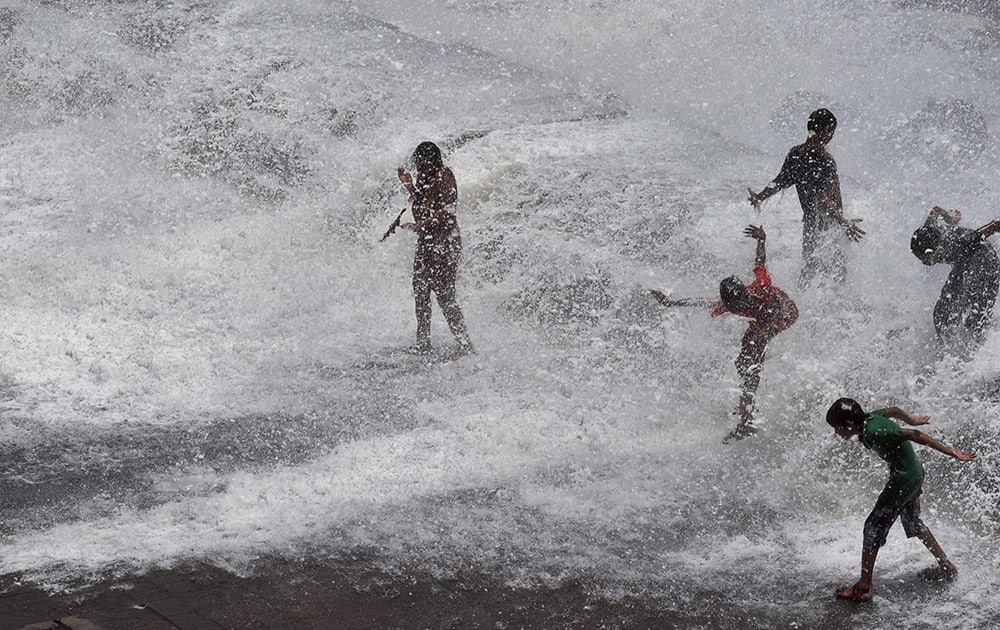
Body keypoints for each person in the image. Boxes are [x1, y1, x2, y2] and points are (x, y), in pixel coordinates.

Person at [825, 398, 976, 603]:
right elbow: (894, 410)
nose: (837, 433)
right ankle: (947, 567)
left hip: (903, 479)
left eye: (837, 428)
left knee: (872, 527)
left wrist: (950, 452)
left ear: (849, 425)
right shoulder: (871, 417)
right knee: (913, 522)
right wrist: (911, 419)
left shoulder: (875, 431)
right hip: (913, 473)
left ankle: (863, 587)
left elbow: (915, 435)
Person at [748, 108, 865, 287]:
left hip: (811, 224)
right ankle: (835, 309)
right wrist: (843, 222)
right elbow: (824, 199)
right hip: (830, 224)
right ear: (825, 131)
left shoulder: (795, 154)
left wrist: (760, 197)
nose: (831, 137)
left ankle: (804, 304)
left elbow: (779, 182)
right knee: (838, 272)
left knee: (809, 267)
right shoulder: (824, 160)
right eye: (831, 132)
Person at [708, 225, 798, 441]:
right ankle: (747, 407)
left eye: (739, 304)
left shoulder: (761, 287)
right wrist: (670, 302)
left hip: (785, 313)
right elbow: (703, 303)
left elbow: (760, 263)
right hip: (763, 321)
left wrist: (762, 239)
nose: (737, 308)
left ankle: (746, 420)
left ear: (743, 295)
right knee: (742, 363)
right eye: (732, 306)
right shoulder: (730, 303)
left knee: (751, 360)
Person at [396, 141, 473, 355]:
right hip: (426, 241)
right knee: (420, 290)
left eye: (423, 163)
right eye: (418, 164)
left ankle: (465, 345)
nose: (420, 168)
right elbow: (421, 204)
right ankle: (423, 343)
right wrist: (409, 185)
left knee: (444, 295)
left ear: (433, 161)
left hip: (445, 241)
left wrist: (418, 225)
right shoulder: (424, 178)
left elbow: (448, 210)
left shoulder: (444, 175)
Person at [911, 205, 1000, 357]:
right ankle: (945, 352)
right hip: (965, 264)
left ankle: (983, 360)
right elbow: (935, 210)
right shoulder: (927, 231)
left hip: (987, 266)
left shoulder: (961, 241)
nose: (924, 263)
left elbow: (995, 225)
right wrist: (949, 217)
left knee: (976, 319)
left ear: (936, 249)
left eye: (927, 259)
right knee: (941, 313)